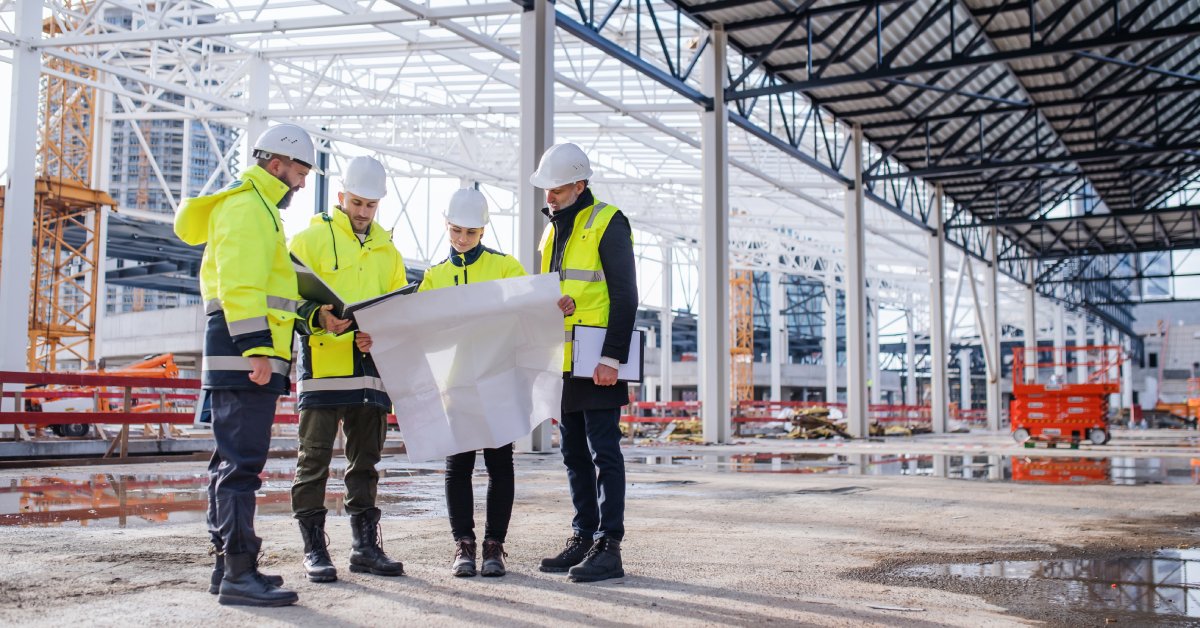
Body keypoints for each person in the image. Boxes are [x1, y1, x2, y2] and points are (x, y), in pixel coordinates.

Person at [174, 123, 318, 607]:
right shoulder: (246, 207)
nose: (300, 184)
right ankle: (238, 574)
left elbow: (274, 290)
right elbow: (239, 286)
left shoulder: (257, 209)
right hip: (244, 355)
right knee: (241, 467)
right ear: (276, 164)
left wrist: (309, 319)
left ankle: (228, 567)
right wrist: (257, 349)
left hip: (244, 353)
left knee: (229, 464)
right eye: (298, 172)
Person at [288, 156, 407, 582]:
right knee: (314, 459)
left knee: (365, 463)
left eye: (371, 205)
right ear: (341, 197)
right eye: (356, 202)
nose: (362, 212)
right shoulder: (310, 239)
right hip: (323, 366)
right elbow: (284, 297)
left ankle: (365, 548)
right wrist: (316, 316)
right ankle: (315, 549)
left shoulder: (389, 253)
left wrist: (382, 333)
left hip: (370, 370)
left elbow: (398, 312)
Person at [531, 143, 638, 583]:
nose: (550, 196)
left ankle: (609, 545)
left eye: (556, 188)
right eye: (546, 189)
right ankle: (583, 534)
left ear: (579, 184)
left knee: (603, 452)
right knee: (574, 455)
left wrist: (612, 357)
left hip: (597, 359)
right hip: (564, 358)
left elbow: (625, 294)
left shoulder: (608, 222)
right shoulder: (552, 232)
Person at [416, 187, 534, 578]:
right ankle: (463, 545)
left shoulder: (506, 268)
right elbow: (419, 331)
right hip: (457, 385)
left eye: (470, 232)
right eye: (456, 231)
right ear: (446, 226)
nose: (462, 239)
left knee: (501, 465)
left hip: (499, 382)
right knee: (459, 466)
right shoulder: (434, 277)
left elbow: (527, 315)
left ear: (483, 230)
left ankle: (494, 546)